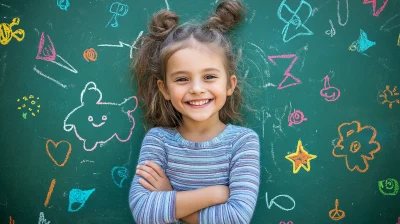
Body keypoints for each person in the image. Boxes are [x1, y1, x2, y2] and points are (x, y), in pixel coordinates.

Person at [129, 1, 260, 223]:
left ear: (229, 85)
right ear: (165, 89)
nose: (197, 89)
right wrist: (216, 193)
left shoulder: (242, 142)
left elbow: (236, 218)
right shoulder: (158, 140)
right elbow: (143, 212)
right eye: (182, 79)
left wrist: (168, 196)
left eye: (209, 77)